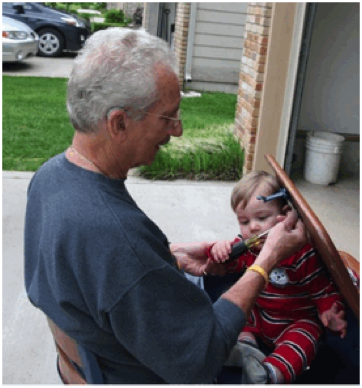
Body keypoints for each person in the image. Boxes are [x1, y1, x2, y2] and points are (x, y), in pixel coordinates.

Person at [24, 28, 307, 384]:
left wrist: (169, 257)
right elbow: (202, 360)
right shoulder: (115, 236)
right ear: (119, 123)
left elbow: (101, 273)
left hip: (103, 360)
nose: (179, 131)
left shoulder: (50, 178)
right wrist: (266, 262)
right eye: (169, 117)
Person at [207, 171, 347, 384]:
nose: (253, 227)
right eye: (244, 221)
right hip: (260, 315)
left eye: (262, 218)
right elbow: (226, 266)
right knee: (236, 305)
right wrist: (220, 251)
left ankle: (271, 373)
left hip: (294, 321)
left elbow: (322, 290)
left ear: (284, 216)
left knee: (308, 334)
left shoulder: (302, 254)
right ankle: (245, 348)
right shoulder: (248, 248)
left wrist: (329, 310)